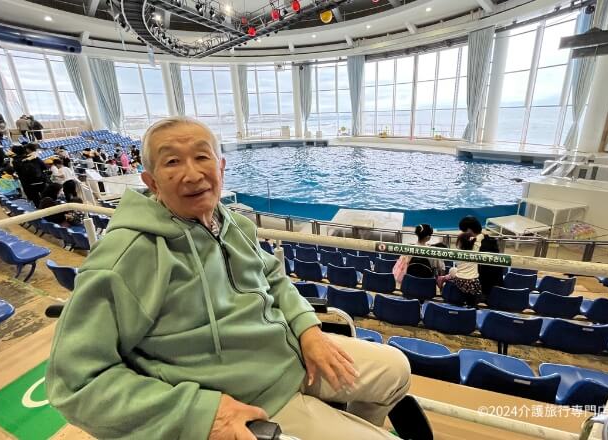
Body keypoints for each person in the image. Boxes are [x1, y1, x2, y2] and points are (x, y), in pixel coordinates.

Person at [46, 116, 411, 440]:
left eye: (202, 157)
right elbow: (74, 383)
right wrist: (199, 414)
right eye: (172, 162)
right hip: (247, 399)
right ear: (151, 182)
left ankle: (342, 419)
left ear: (221, 167)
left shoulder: (232, 223)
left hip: (289, 355)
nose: (192, 174)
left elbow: (272, 276)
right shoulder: (125, 258)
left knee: (397, 369)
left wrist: (307, 329)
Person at [458, 215, 505, 301]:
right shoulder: (490, 241)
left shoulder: (476, 246)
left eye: (462, 231)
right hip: (496, 288)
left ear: (469, 230)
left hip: (484, 291)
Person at [438, 231, 482, 307]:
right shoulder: (476, 249)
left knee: (452, 270)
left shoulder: (457, 253)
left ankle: (444, 278)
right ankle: (471, 305)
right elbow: (480, 236)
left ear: (460, 243)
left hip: (460, 281)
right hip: (473, 282)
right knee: (473, 285)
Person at [15, 143, 48, 207]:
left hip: (30, 183)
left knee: (36, 199)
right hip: (41, 180)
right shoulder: (37, 158)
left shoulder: (22, 160)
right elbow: (44, 167)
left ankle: (40, 211)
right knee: (45, 197)